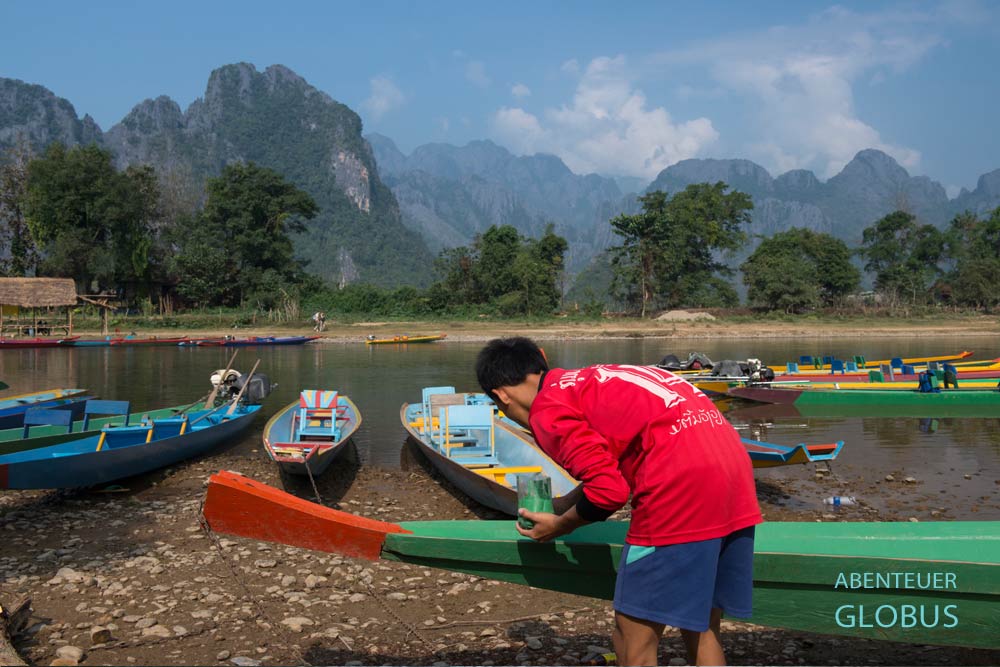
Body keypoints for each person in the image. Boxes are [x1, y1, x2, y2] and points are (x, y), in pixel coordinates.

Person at [475, 337, 762, 666]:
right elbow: (612, 468)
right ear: (541, 360)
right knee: (699, 624)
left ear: (501, 396)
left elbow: (609, 493)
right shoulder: (591, 378)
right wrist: (565, 503)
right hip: (733, 468)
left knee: (630, 637)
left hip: (681, 483)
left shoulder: (548, 409)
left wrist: (558, 526)